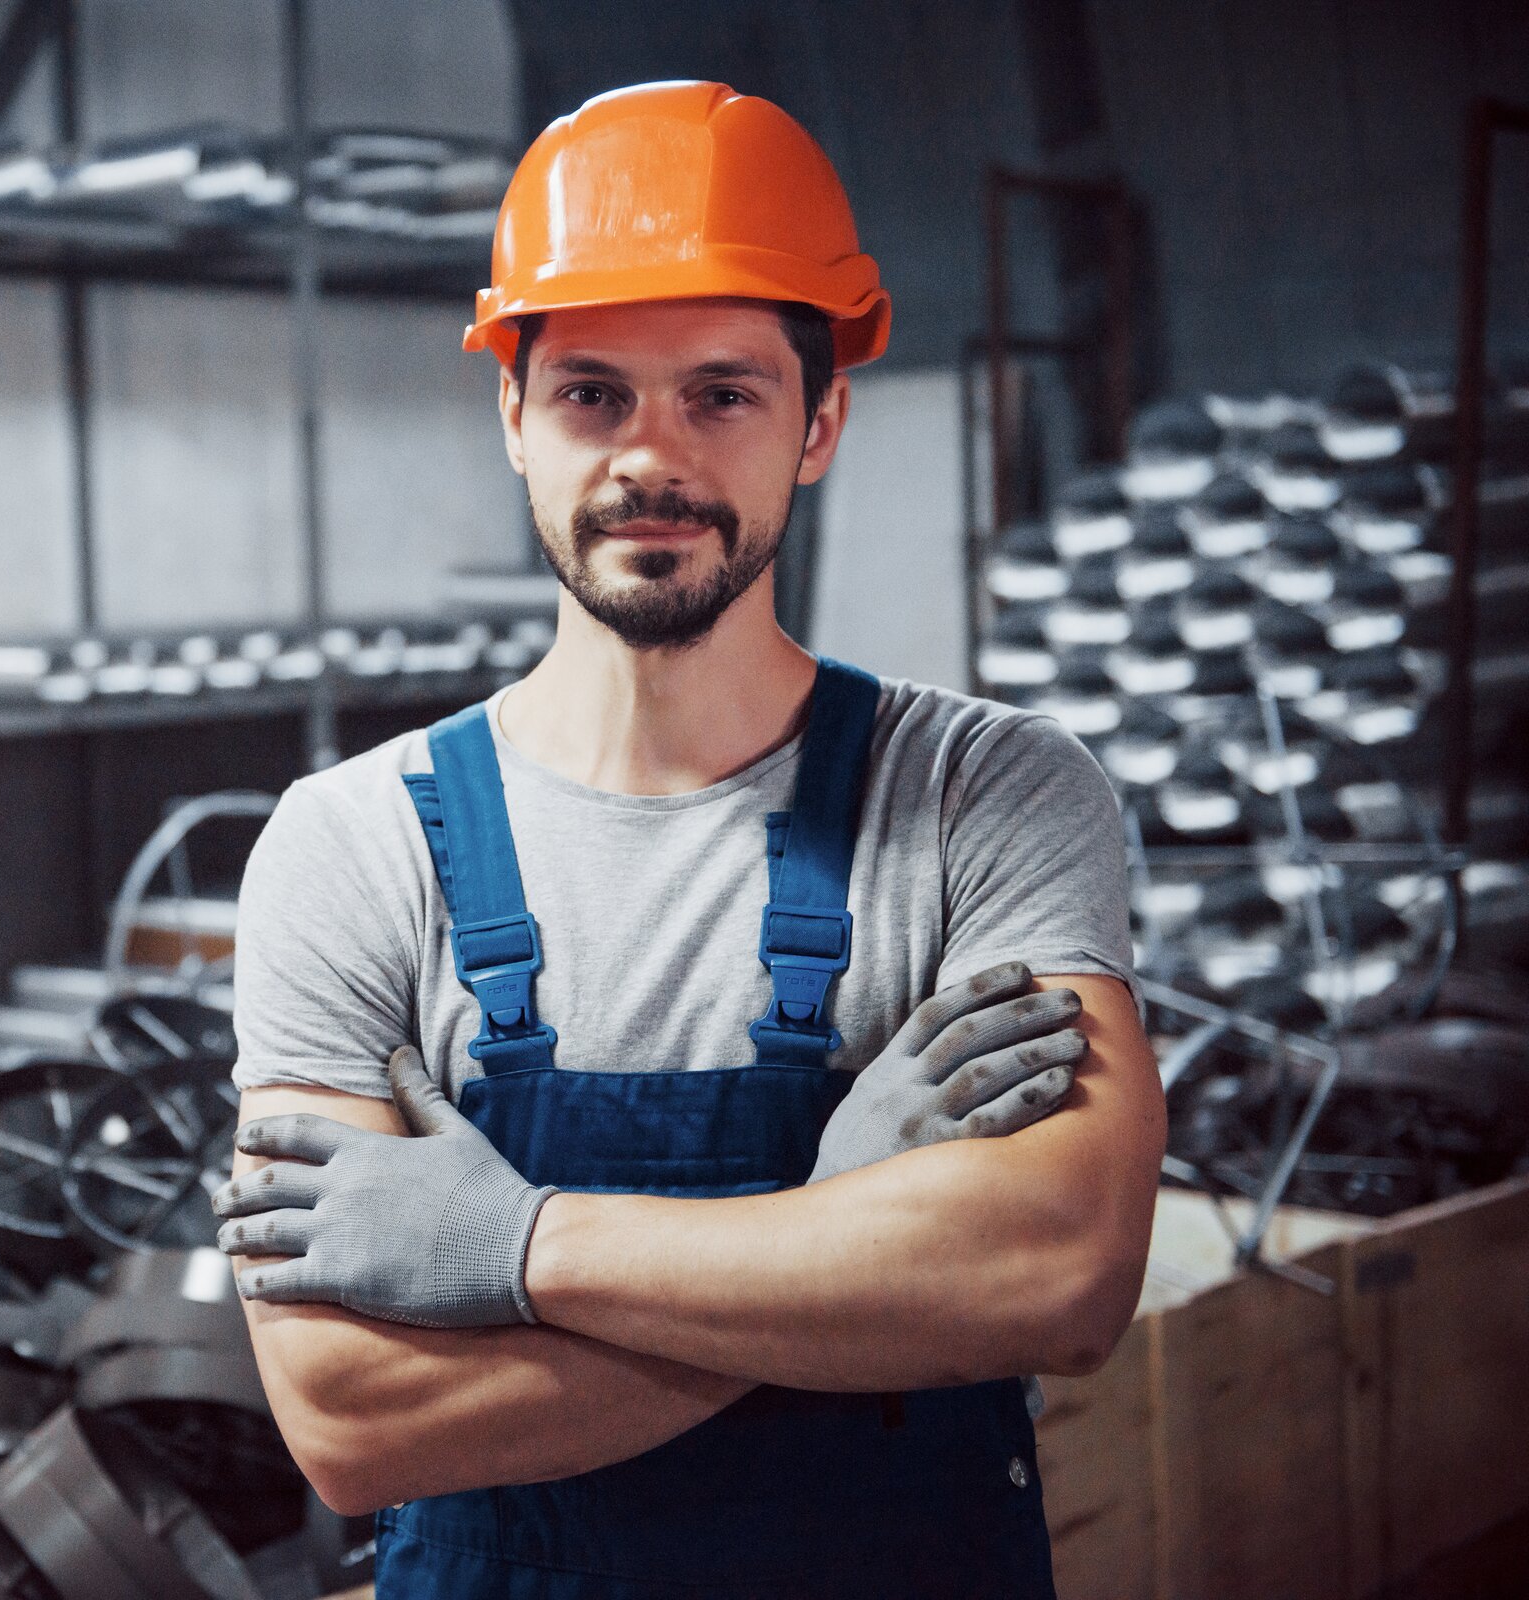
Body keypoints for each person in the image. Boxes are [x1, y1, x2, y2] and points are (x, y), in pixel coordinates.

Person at [211, 81, 1165, 1599]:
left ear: (821, 421)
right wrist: (837, 1252)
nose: (650, 456)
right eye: (593, 392)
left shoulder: (989, 793)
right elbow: (351, 1418)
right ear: (513, 417)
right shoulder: (350, 849)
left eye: (721, 393)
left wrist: (515, 1249)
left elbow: (1057, 1275)